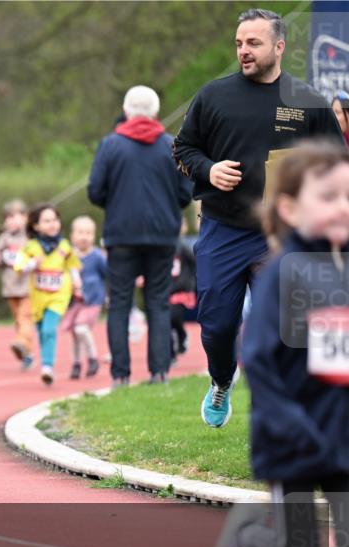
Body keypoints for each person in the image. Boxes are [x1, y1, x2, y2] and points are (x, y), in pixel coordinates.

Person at [213, 140, 348, 547]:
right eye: (328, 196)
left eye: (348, 196)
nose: (342, 206)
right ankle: (250, 534)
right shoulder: (283, 273)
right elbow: (260, 360)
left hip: (342, 434)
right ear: (290, 208)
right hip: (290, 435)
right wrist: (294, 423)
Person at [173, 7, 343, 426]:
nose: (244, 51)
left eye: (253, 43)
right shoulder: (213, 96)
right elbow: (182, 150)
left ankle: (294, 408)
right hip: (223, 229)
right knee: (216, 326)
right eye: (239, 44)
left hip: (282, 236)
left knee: (293, 328)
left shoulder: (307, 102)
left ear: (279, 46)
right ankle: (221, 381)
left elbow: (336, 165)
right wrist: (207, 169)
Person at [89, 85, 192, 386]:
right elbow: (185, 194)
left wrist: (117, 202)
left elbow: (95, 191)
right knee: (158, 301)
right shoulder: (171, 146)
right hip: (162, 236)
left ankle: (120, 375)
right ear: (156, 113)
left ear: (126, 111)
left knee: (120, 303)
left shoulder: (110, 145)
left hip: (121, 235)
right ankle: (159, 372)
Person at [13, 204, 82, 385]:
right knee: (42, 331)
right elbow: (19, 266)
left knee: (49, 329)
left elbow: (72, 264)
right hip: (38, 297)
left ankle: (47, 366)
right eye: (47, 221)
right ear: (36, 226)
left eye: (55, 220)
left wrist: (76, 280)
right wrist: (33, 264)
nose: (52, 224)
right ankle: (47, 364)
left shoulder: (65, 246)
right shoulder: (31, 247)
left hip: (59, 295)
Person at [0, 199, 34, 370]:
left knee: (25, 318)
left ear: (26, 217)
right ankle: (27, 353)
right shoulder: (4, 238)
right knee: (18, 321)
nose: (12, 221)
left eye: (17, 216)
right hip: (10, 287)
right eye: (8, 217)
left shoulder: (31, 236)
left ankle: (22, 342)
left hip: (28, 286)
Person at [61, 216, 106, 379]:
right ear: (72, 235)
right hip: (74, 302)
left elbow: (106, 274)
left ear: (93, 236)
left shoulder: (97, 256)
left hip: (92, 301)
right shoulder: (68, 256)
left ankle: (93, 358)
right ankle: (76, 363)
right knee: (74, 333)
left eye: (88, 233)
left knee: (81, 328)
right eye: (80, 232)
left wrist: (109, 294)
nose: (84, 237)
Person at [169, 226, 197, 365]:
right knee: (165, 323)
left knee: (174, 318)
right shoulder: (162, 245)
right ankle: (171, 355)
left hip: (181, 290)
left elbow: (194, 262)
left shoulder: (184, 246)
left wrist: (189, 281)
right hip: (167, 290)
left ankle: (182, 334)